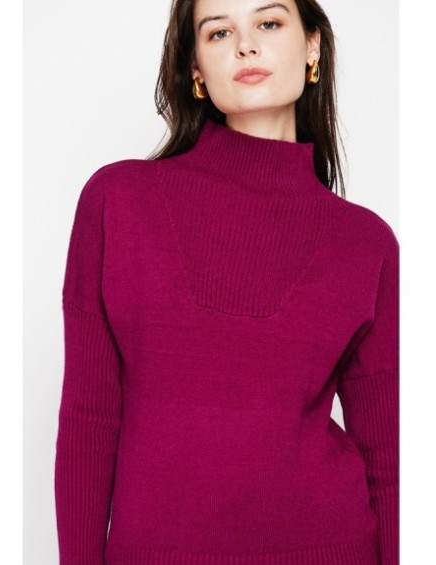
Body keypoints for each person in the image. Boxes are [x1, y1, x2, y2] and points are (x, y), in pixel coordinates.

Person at [54, 0, 399, 564]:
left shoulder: (367, 243)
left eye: (269, 22)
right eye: (218, 32)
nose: (246, 45)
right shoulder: (118, 201)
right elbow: (88, 419)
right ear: (195, 67)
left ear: (312, 45)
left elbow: (391, 459)